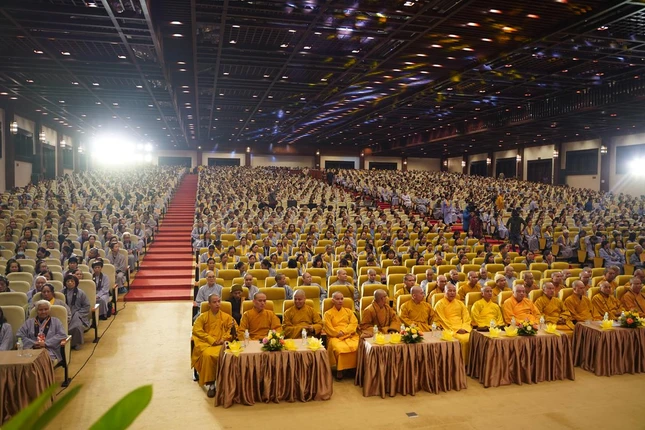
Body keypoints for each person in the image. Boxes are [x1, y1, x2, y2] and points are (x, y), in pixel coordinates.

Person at [191, 294, 237, 398]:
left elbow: (233, 329)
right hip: (207, 344)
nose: (217, 304)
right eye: (214, 302)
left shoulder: (226, 316)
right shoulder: (202, 317)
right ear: (209, 304)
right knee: (208, 356)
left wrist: (224, 339)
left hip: (223, 343)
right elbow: (197, 330)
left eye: (219, 301)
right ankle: (211, 385)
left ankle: (229, 383)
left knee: (231, 355)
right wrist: (211, 340)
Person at [323, 292, 359, 380]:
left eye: (342, 299)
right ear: (333, 300)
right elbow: (328, 327)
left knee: (357, 346)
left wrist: (344, 332)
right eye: (337, 299)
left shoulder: (348, 311)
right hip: (335, 336)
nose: (340, 301)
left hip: (349, 334)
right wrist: (337, 333)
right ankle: (340, 369)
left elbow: (354, 323)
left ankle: (355, 367)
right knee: (340, 348)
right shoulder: (327, 313)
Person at [433, 284, 471, 362]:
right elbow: (442, 320)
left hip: (462, 327)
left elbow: (466, 317)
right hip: (449, 328)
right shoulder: (439, 304)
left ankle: (469, 363)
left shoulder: (460, 303)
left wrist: (464, 328)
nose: (452, 293)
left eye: (454, 291)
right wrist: (456, 329)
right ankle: (460, 363)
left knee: (472, 337)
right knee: (463, 339)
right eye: (450, 291)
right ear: (444, 291)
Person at [62, 274, 90, 349]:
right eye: (68, 281)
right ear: (65, 283)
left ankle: (76, 343)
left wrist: (78, 314)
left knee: (77, 326)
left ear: (76, 283)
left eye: (72, 281)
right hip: (64, 314)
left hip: (77, 314)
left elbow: (86, 306)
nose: (70, 283)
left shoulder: (81, 293)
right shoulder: (61, 293)